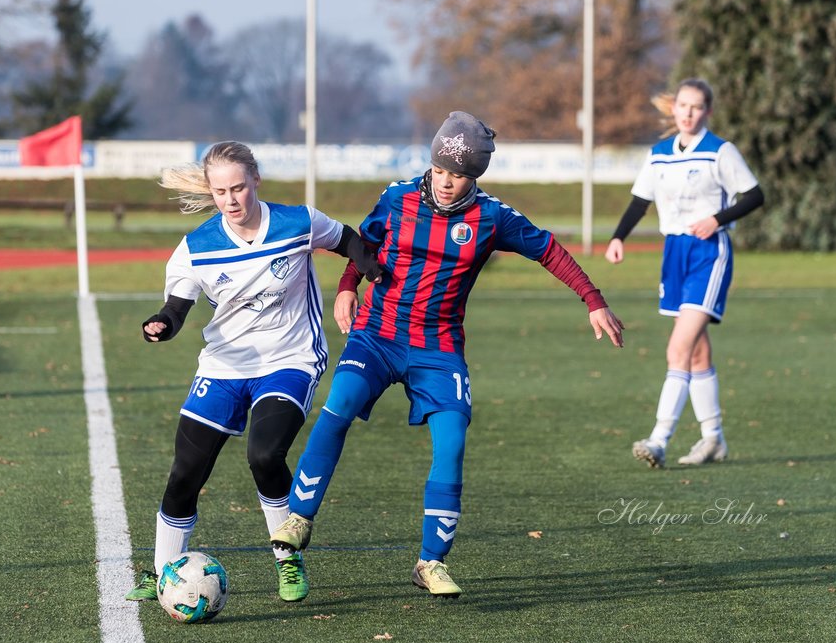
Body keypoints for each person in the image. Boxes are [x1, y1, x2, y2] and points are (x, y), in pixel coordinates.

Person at [268, 111, 624, 598]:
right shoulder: (397, 198)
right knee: (340, 403)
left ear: (474, 175)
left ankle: (430, 563)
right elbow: (363, 246)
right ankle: (299, 518)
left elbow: (548, 250)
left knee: (452, 440)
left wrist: (593, 299)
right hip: (378, 334)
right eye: (440, 171)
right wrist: (348, 287)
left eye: (458, 175)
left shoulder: (493, 217)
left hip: (438, 347)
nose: (448, 182)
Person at [124, 141, 381, 605]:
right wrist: (162, 323)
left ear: (255, 180)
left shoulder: (297, 222)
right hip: (225, 365)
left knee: (264, 455)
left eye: (238, 188)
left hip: (290, 360)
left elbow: (350, 241)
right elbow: (177, 306)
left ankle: (288, 561)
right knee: (185, 471)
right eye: (220, 191)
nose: (230, 199)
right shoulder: (197, 246)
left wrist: (370, 272)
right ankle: (165, 572)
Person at [604, 78, 765, 468]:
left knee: (678, 347)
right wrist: (618, 237)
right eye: (683, 106)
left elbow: (754, 195)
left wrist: (716, 219)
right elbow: (640, 201)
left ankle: (659, 439)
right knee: (696, 351)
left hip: (709, 253)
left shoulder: (719, 151)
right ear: (673, 109)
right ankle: (713, 439)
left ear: (707, 111)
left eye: (696, 107)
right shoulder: (659, 153)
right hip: (674, 252)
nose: (689, 113)